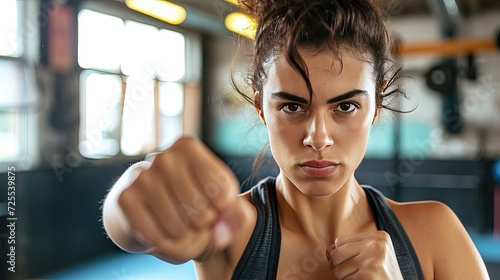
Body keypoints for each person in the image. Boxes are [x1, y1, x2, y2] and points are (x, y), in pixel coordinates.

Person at [102, 0, 490, 279]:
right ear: (260, 106)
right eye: (292, 107)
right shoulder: (230, 235)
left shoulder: (435, 233)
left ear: (376, 104)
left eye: (346, 107)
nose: (317, 138)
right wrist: (131, 196)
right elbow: (129, 224)